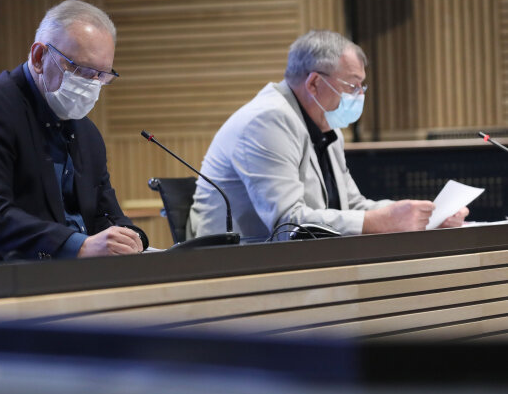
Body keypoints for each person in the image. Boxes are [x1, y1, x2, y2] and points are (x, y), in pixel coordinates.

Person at [0, 0, 146, 260]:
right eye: (80, 69)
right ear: (38, 58)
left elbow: (106, 213)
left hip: (62, 274)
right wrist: (79, 246)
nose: (92, 84)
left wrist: (132, 238)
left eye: (101, 75)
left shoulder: (86, 132)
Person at [188, 30, 468, 241]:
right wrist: (381, 221)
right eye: (353, 86)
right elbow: (288, 224)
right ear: (314, 83)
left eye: (362, 87)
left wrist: (421, 216)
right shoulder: (266, 121)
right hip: (231, 266)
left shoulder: (325, 125)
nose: (359, 96)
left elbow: (352, 206)